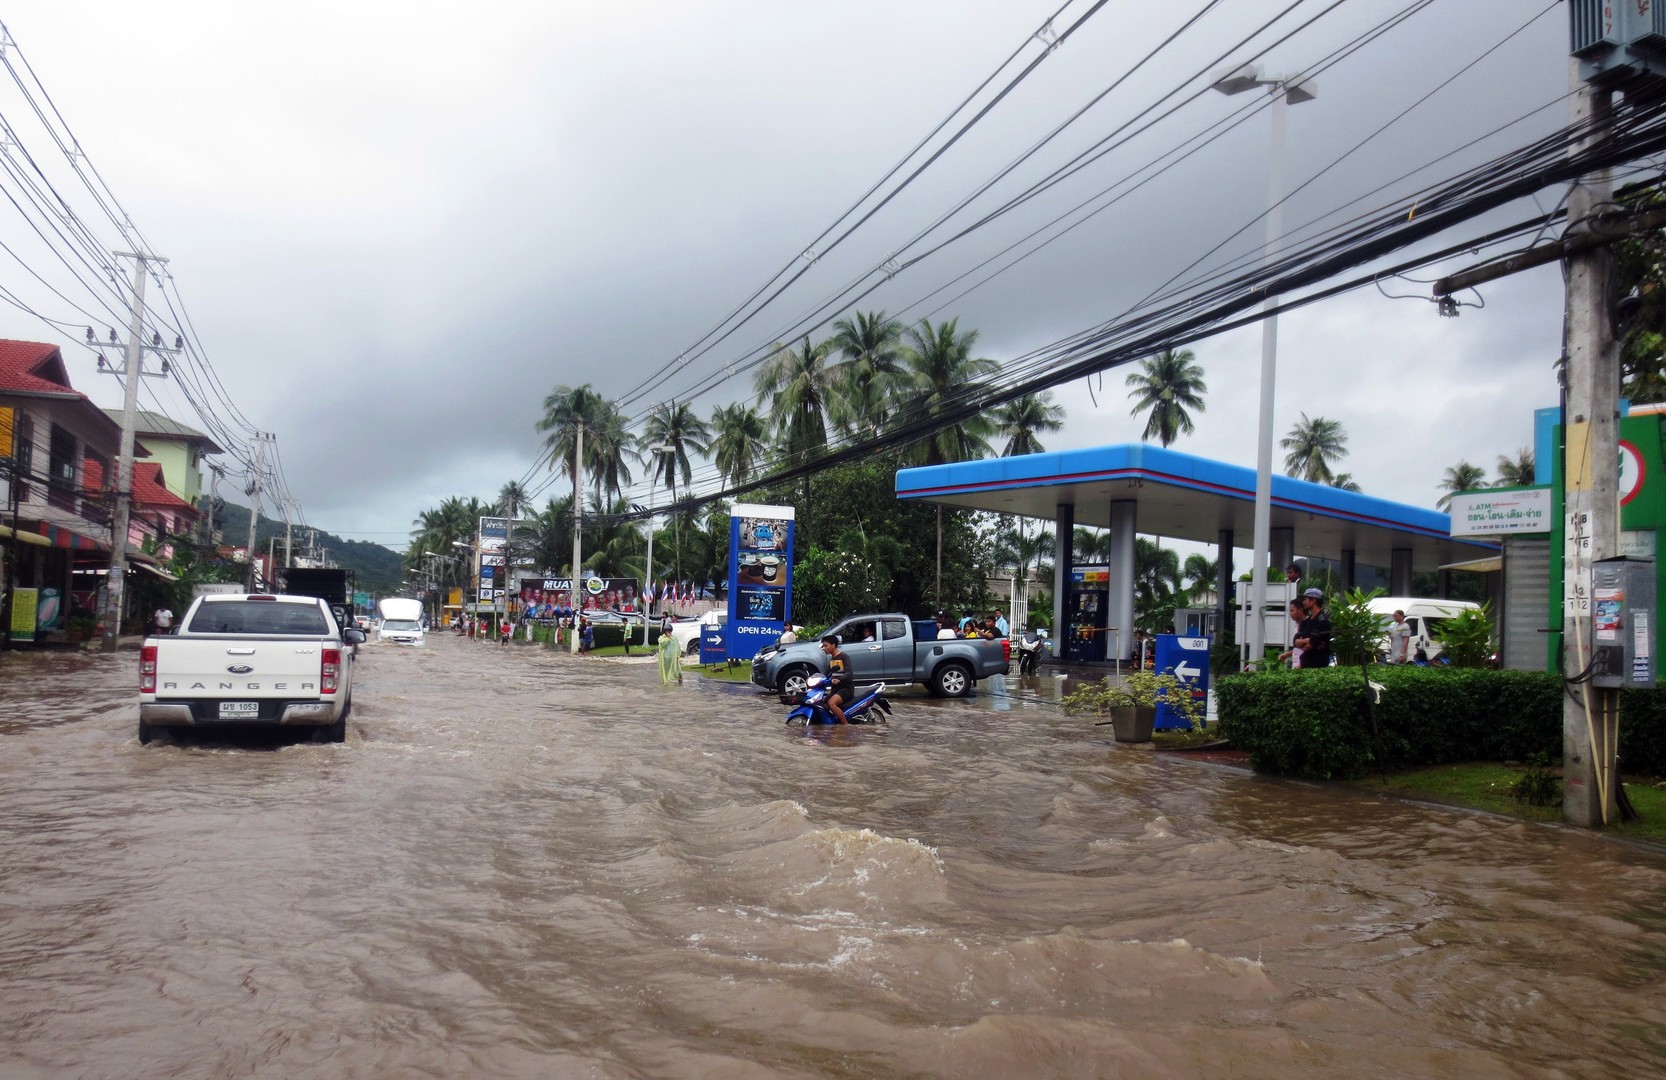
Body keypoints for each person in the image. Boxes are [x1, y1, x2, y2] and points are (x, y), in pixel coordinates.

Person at [1294, 588, 1332, 669]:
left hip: (1317, 667)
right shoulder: (1306, 621)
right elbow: (1295, 642)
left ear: (1313, 600)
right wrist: (1307, 640)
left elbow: (1311, 645)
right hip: (1304, 665)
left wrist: (1306, 642)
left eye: (1305, 599)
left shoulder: (1322, 621)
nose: (1303, 602)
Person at [819, 634, 853, 724]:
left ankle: (846, 726)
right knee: (822, 703)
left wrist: (840, 680)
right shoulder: (832, 660)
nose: (824, 648)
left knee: (831, 703)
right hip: (835, 689)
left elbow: (849, 673)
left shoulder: (844, 656)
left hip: (846, 689)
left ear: (833, 645)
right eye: (823, 646)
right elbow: (825, 674)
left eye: (826, 645)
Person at [1276, 599, 1305, 668]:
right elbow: (1299, 648)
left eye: (1292, 610)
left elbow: (1309, 648)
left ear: (1300, 610)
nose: (1290, 613)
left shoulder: (1308, 625)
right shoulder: (1297, 625)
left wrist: (1302, 665)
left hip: (1303, 666)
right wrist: (1287, 655)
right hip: (1296, 666)